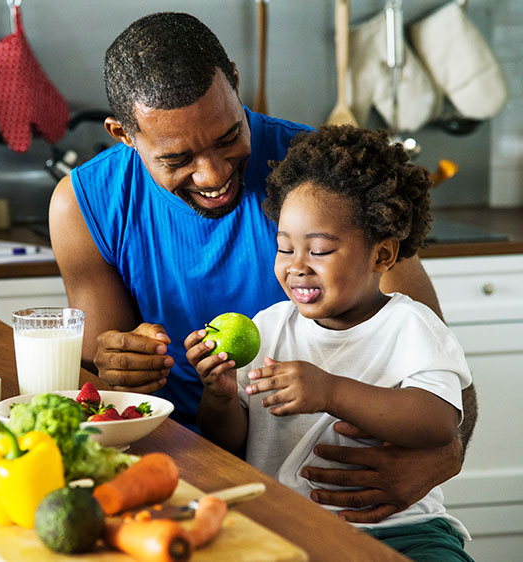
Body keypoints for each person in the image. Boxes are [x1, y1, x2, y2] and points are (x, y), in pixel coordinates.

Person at [49, 11, 478, 524]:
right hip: (165, 473)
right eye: (177, 158)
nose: (213, 174)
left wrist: (442, 458)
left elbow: (441, 365)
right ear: (124, 134)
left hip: (338, 497)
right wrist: (115, 364)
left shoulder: (321, 181)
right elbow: (102, 389)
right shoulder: (84, 205)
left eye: (229, 136)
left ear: (234, 79)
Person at [186, 125, 475, 561]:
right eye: (285, 249)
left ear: (382, 255)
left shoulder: (411, 326)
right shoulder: (269, 328)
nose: (296, 267)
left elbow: (438, 423)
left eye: (318, 251)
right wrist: (221, 397)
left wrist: (330, 391)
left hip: (403, 529)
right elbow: (230, 442)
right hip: (287, 525)